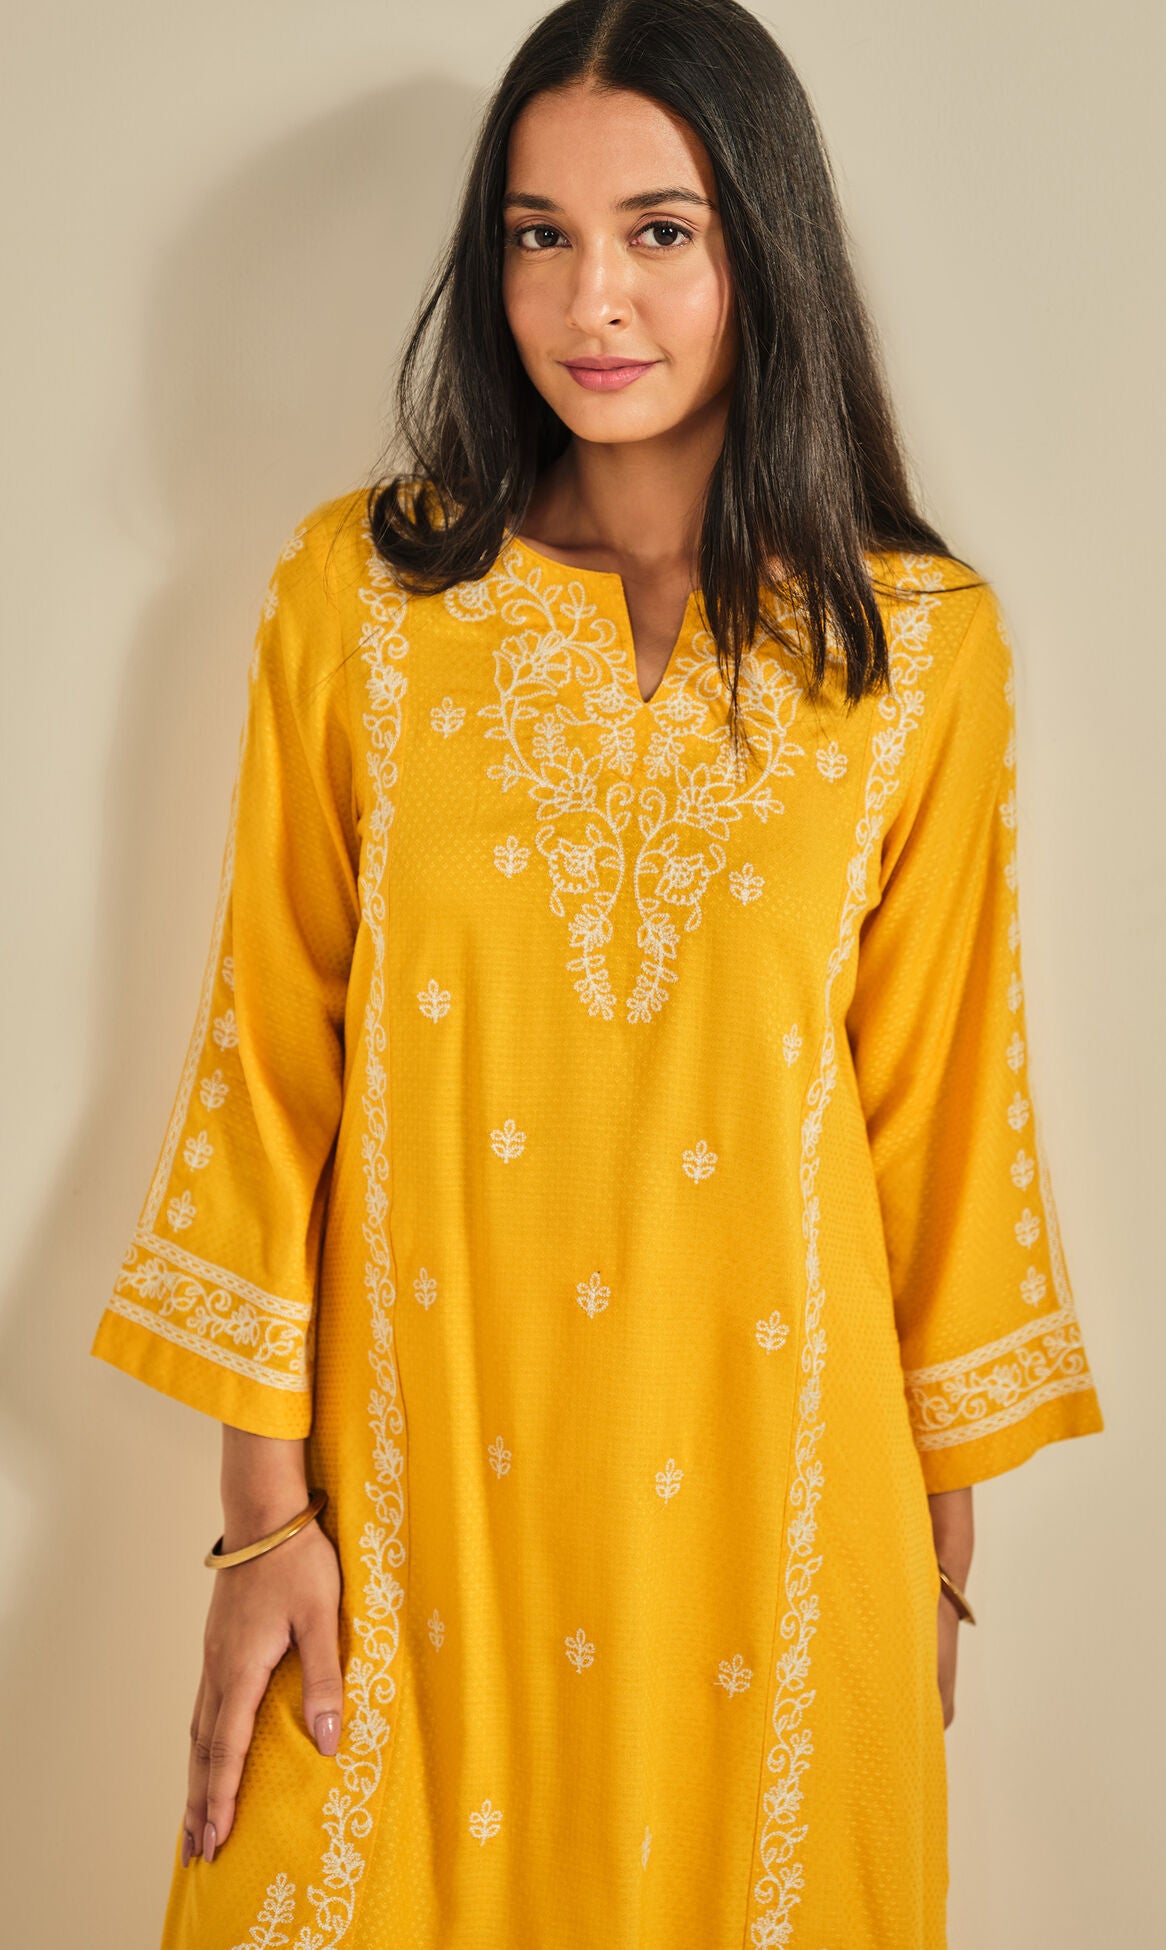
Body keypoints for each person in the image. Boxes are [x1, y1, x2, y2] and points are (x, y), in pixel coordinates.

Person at [90, 1, 1105, 1943]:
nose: (589, 297)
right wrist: (261, 1520)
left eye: (658, 229)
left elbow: (942, 1098)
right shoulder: (361, 606)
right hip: (405, 1503)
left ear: (762, 250)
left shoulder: (914, 647)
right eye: (534, 233)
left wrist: (932, 1543)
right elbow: (267, 1064)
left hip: (775, 1503)